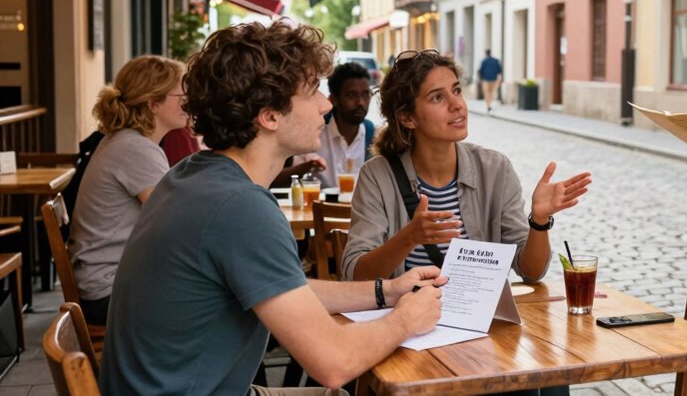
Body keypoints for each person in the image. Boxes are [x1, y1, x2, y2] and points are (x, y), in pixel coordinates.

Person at [99, 22, 445, 395]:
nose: (326, 105)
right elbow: (334, 362)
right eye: (313, 91)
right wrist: (405, 320)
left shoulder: (194, 175)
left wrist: (386, 291)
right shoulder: (240, 207)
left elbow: (287, 290)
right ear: (269, 116)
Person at [342, 49, 590, 396]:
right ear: (408, 118)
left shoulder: (494, 168)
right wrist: (409, 237)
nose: (457, 105)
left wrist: (538, 220)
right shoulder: (378, 176)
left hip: (480, 329)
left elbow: (530, 272)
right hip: (410, 333)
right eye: (437, 97)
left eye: (457, 90)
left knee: (549, 378)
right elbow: (355, 274)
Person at [67, 55, 188, 325]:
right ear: (153, 102)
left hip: (109, 281)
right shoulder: (136, 149)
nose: (187, 101)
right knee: (222, 305)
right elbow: (174, 223)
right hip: (111, 291)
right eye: (180, 94)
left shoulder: (124, 141)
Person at [293, 62, 376, 188]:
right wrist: (307, 167)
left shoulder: (373, 136)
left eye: (365, 94)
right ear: (333, 100)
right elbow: (279, 178)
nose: (360, 102)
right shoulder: (315, 133)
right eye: (352, 95)